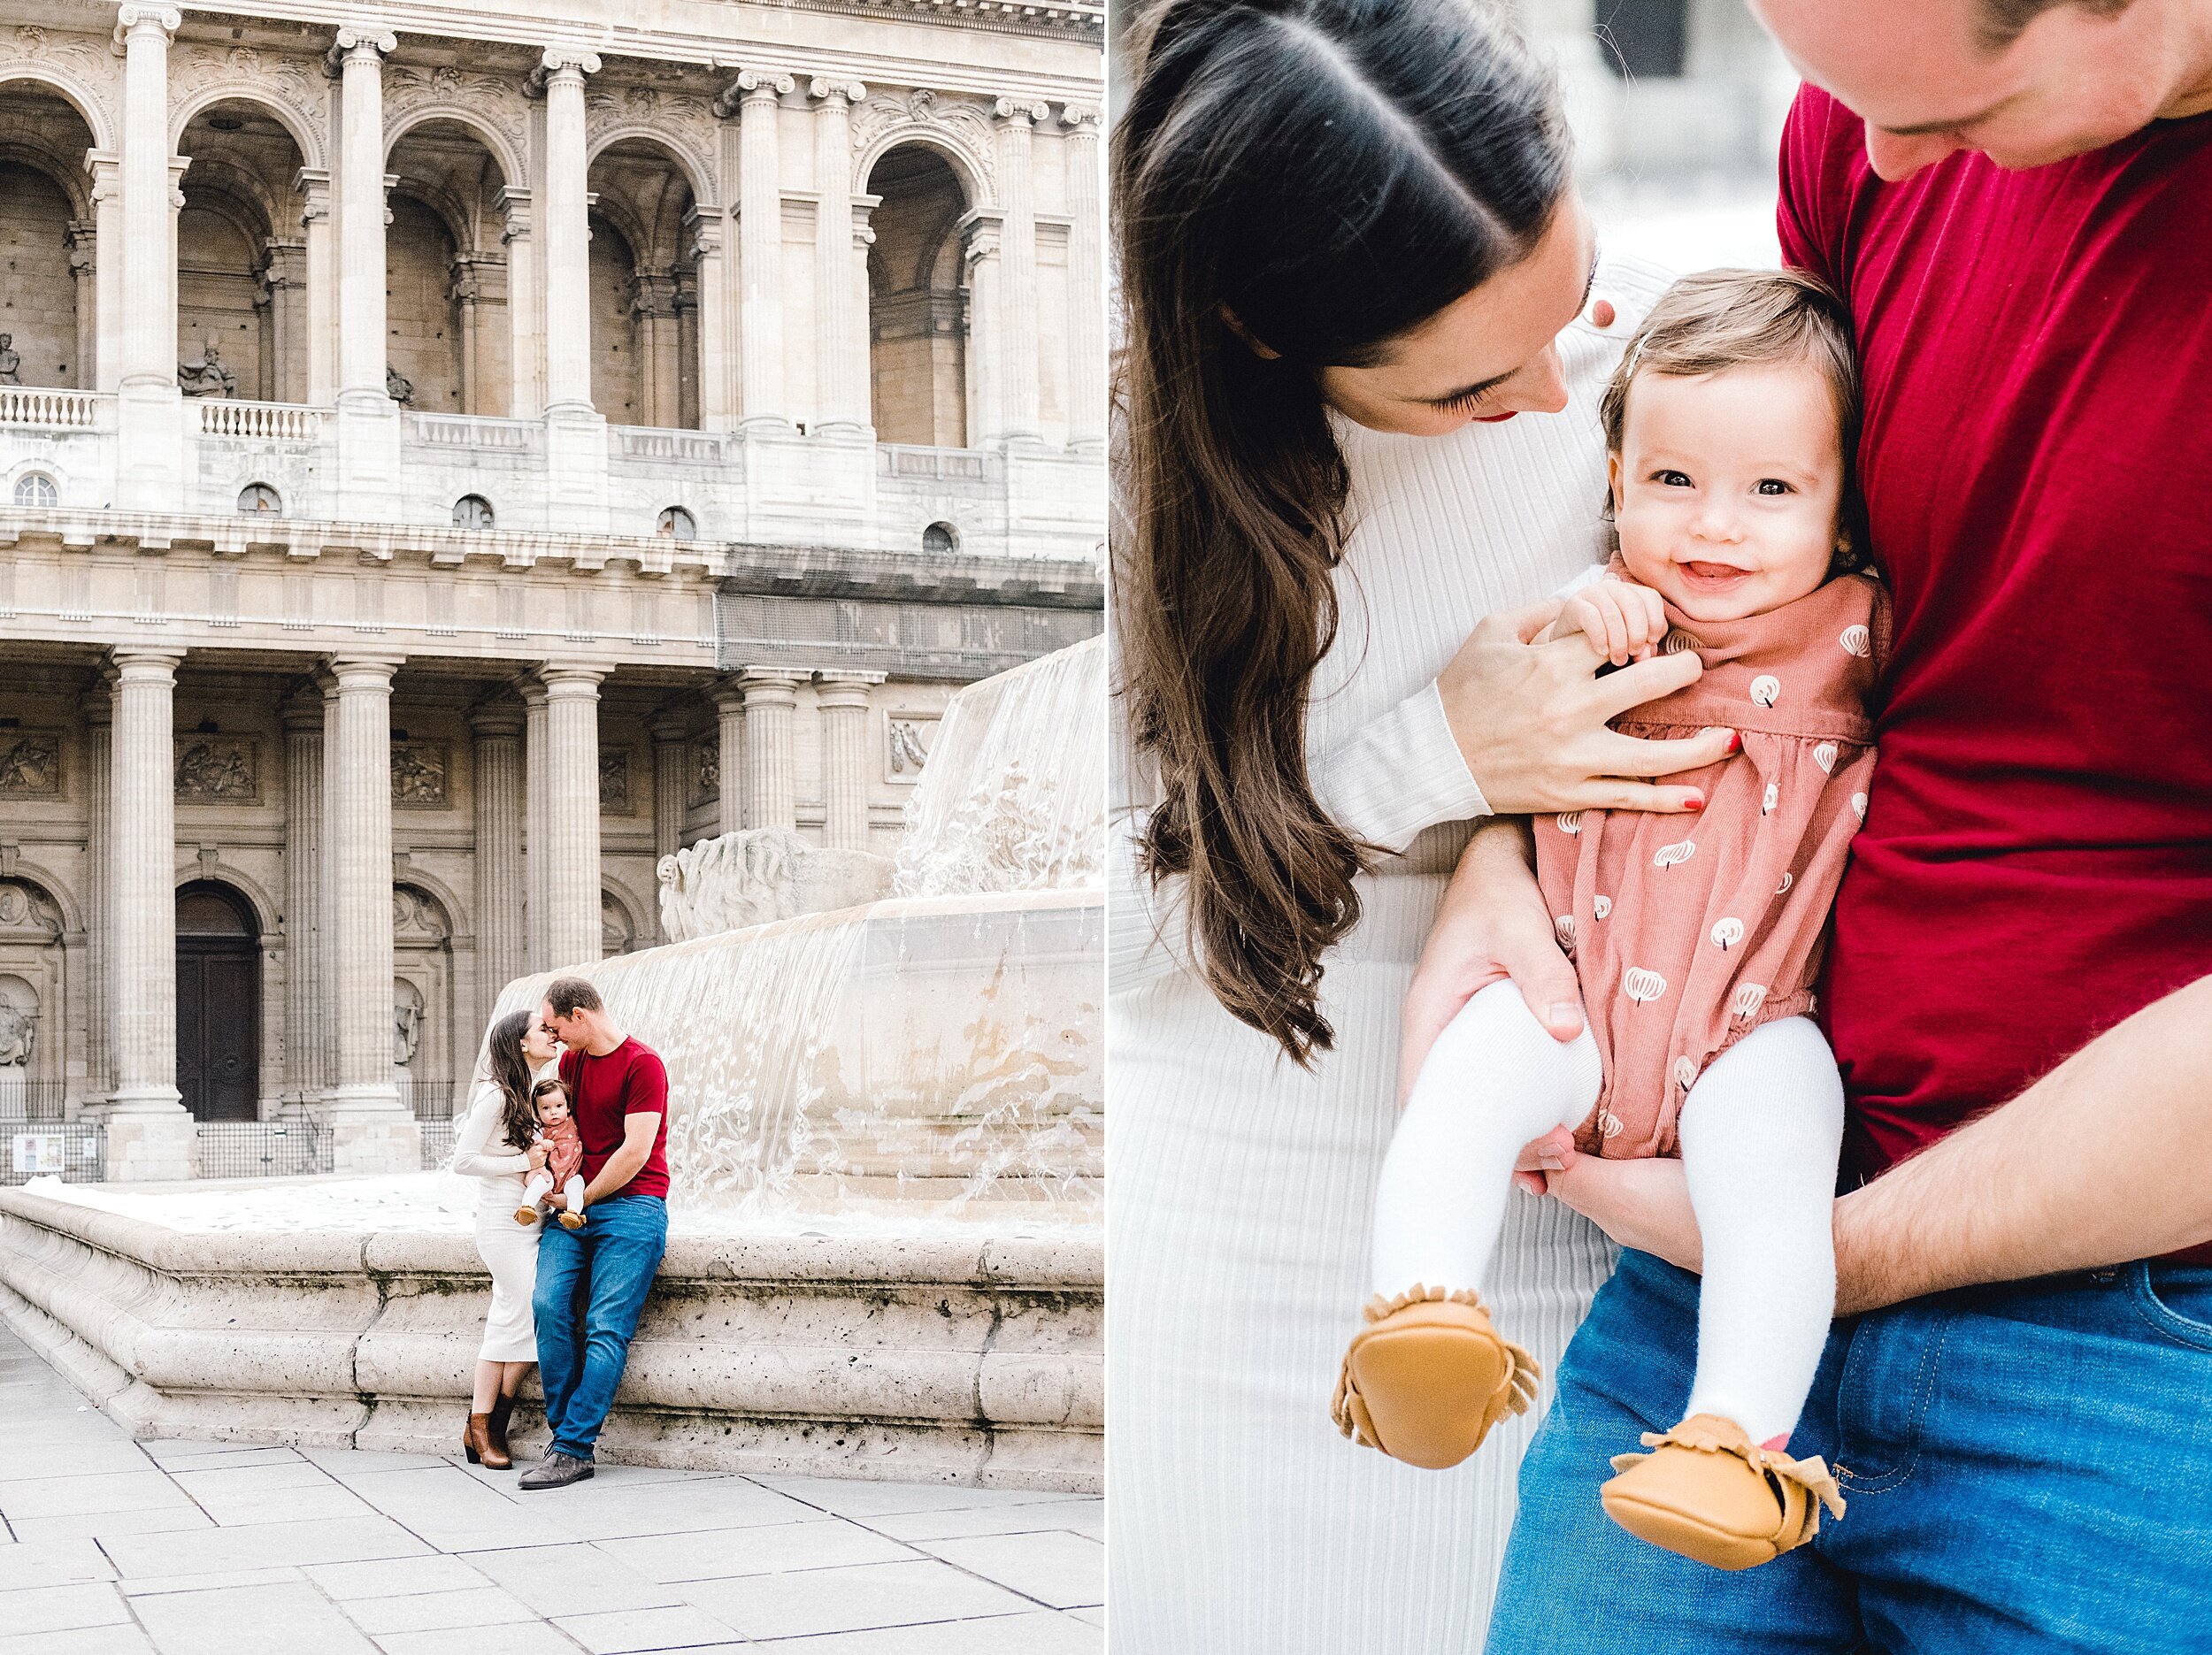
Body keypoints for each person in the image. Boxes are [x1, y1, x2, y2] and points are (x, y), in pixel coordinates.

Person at [1468, 0, 2212, 1647]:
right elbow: (1747, 615)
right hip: (1710, 1289)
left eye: (1953, 110)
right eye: (1832, 94)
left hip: (2144, 1367)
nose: (1872, 163)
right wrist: (1493, 851)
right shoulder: (1873, 129)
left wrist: (1816, 1252)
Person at [1107, 0, 1743, 1644]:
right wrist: (1436, 758)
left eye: (1573, 286)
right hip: (1255, 1219)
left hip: (1577, 1184)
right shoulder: (1150, 486)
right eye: (1472, 383)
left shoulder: (1691, 367)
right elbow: (1119, 934)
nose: (1553, 392)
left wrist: (1509, 839)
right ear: (1263, 336)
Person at [1339, 271, 1874, 1571]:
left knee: (1777, 1198)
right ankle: (1422, 1313)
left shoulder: (1860, 627)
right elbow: (1507, 676)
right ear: (1618, 479)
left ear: (1842, 504)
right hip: (1568, 987)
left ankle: (1731, 1439)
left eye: (1772, 492)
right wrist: (1585, 611)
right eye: (1673, 481)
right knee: (1462, 1086)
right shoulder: (1598, 614)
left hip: (1755, 1026)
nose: (1716, 528)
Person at [518, 975, 671, 1491]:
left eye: (556, 1025)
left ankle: (572, 1448)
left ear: (580, 1015)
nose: (553, 1036)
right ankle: (566, 1436)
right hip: (573, 1207)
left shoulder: (642, 1064)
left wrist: (583, 1198)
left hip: (631, 1206)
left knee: (607, 1326)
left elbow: (635, 1152)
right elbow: (552, 1129)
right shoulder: (569, 1064)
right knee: (547, 1305)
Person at [449, 1008, 564, 1470]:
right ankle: (484, 1424)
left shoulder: (532, 1094)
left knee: (524, 1318)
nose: (552, 1035)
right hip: (502, 1225)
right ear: (520, 1042)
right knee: (512, 1320)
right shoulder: (495, 1096)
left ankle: (489, 1424)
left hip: (531, 1221)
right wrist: (521, 1166)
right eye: (543, 1030)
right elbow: (463, 1161)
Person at [514, 1077, 588, 1231]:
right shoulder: (540, 1130)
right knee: (539, 1183)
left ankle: (573, 1213)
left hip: (570, 1175)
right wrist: (541, 1143)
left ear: (568, 1107)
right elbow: (531, 1146)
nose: (553, 1112)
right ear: (538, 1112)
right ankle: (527, 1207)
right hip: (551, 1176)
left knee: (577, 1185)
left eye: (559, 1106)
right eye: (546, 1108)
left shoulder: (573, 1122)